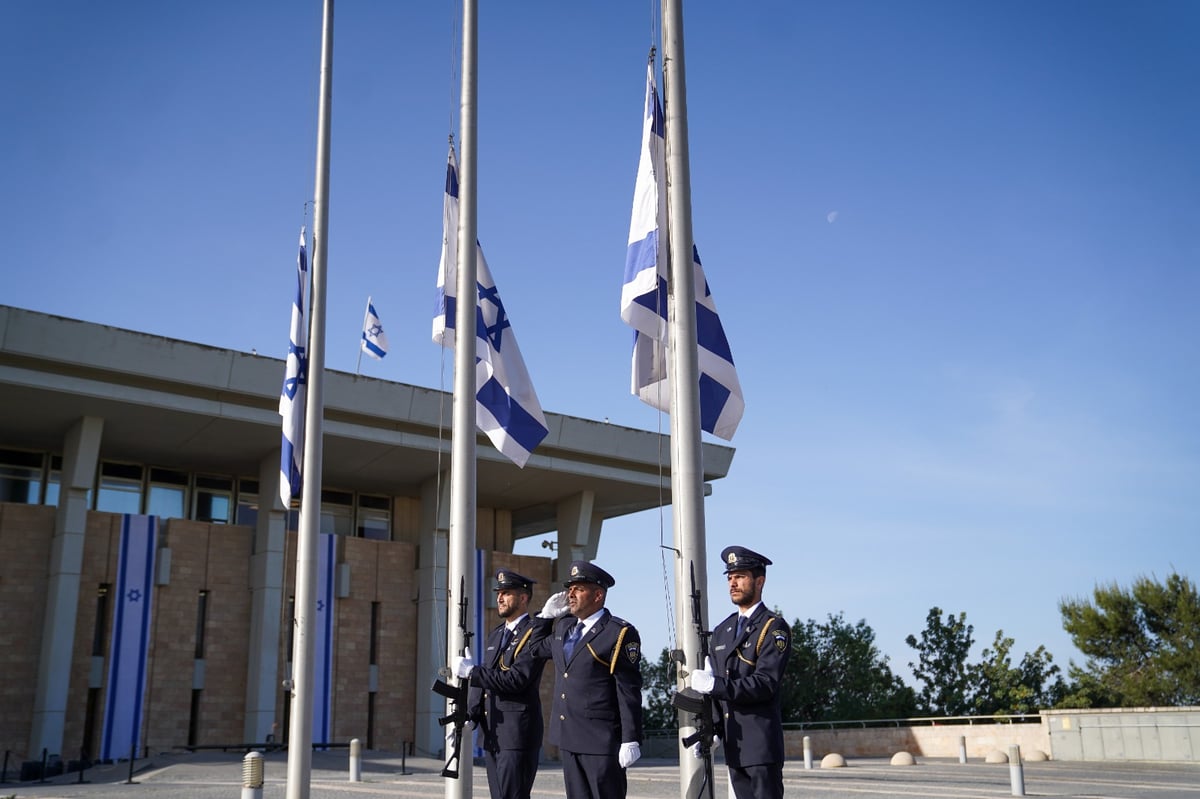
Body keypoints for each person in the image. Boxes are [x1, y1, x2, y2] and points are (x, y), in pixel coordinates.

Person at [530, 560, 643, 799]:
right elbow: (536, 649)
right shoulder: (564, 628)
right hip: (569, 737)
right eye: (570, 589)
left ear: (598, 595)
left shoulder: (618, 632)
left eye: (578, 589)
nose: (570, 594)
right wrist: (545, 617)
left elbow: (628, 689)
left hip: (601, 740)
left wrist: (630, 738)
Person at [689, 546, 791, 799]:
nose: (733, 583)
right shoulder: (723, 630)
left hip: (760, 746)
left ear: (760, 581)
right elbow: (714, 687)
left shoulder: (772, 627)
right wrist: (711, 729)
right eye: (730, 578)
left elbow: (765, 683)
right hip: (734, 744)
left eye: (741, 577)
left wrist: (715, 686)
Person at [450, 569, 551, 799]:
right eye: (498, 593)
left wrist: (472, 672)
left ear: (523, 598)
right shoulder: (496, 635)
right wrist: (471, 714)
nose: (499, 598)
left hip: (517, 735)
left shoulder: (532, 633)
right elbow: (483, 680)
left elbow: (517, 680)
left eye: (506, 593)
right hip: (492, 731)